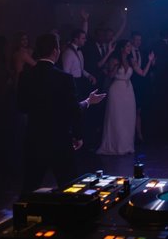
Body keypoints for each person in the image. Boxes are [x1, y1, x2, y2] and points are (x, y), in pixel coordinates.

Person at [17, 34, 106, 194]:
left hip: (34, 140)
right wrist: (88, 103)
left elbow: (22, 107)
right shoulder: (64, 78)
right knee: (70, 188)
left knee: (29, 188)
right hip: (59, 141)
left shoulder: (26, 75)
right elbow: (73, 110)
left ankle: (25, 218)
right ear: (55, 51)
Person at [96, 41, 154, 155]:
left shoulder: (131, 60)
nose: (130, 48)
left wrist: (149, 61)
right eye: (128, 46)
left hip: (128, 91)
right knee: (116, 118)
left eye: (130, 46)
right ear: (122, 48)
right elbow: (109, 75)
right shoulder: (114, 60)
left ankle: (126, 145)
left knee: (128, 117)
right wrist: (115, 65)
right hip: (116, 89)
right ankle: (116, 146)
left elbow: (142, 73)